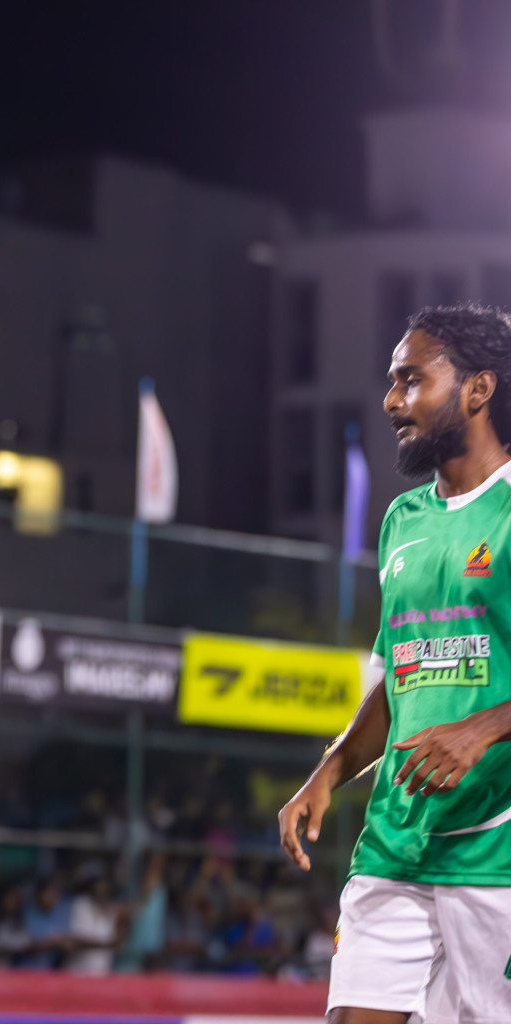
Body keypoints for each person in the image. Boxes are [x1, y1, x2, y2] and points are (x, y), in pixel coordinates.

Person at [279, 303, 511, 1024]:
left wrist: (480, 730)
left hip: (494, 852)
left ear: (478, 389)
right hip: (396, 843)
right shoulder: (401, 521)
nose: (390, 401)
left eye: (411, 380)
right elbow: (397, 675)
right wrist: (331, 770)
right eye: (391, 382)